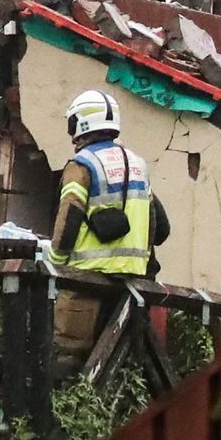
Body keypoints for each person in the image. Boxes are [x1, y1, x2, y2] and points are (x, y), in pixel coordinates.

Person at [47, 88, 169, 361]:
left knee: (69, 362)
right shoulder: (138, 165)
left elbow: (68, 220)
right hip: (134, 282)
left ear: (80, 124)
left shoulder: (81, 166)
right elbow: (162, 229)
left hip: (87, 280)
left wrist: (54, 262)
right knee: (120, 362)